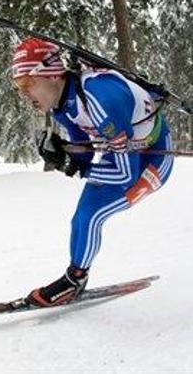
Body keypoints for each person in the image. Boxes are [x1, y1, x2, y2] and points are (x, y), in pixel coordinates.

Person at [11, 37, 174, 307]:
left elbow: (125, 176)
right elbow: (83, 149)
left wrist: (74, 168)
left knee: (92, 214)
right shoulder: (63, 102)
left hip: (152, 158)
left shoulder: (100, 99)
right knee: (82, 217)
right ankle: (76, 278)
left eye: (27, 83)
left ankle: (73, 281)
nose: (24, 93)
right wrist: (68, 154)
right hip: (125, 149)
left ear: (51, 75)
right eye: (18, 86)